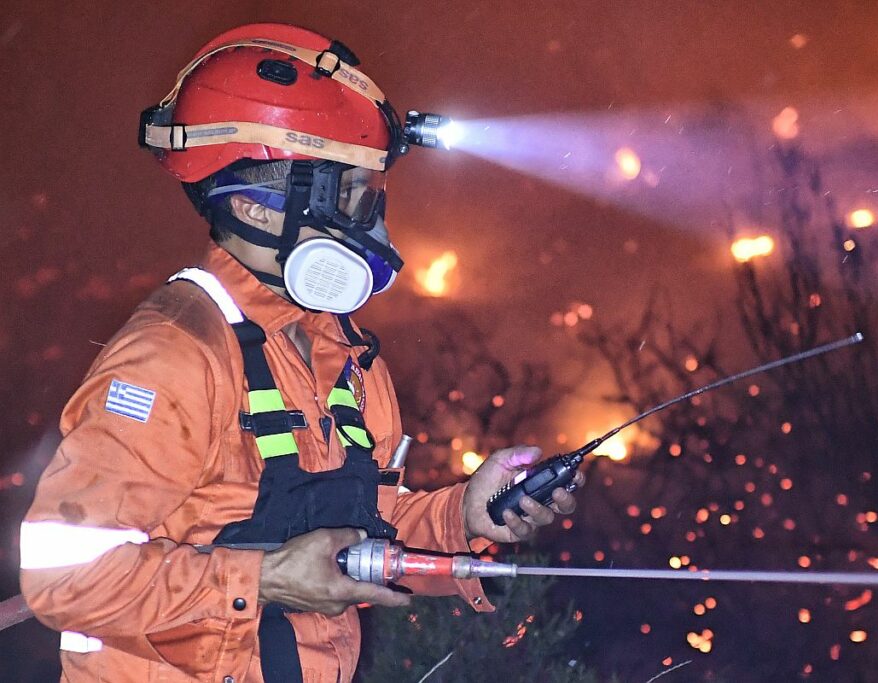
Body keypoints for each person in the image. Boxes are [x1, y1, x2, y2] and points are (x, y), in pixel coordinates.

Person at [19, 23, 582, 683]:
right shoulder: (174, 354)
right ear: (261, 208)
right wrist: (264, 579)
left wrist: (460, 515)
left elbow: (354, 521)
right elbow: (62, 575)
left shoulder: (338, 348)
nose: (370, 219)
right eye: (348, 192)